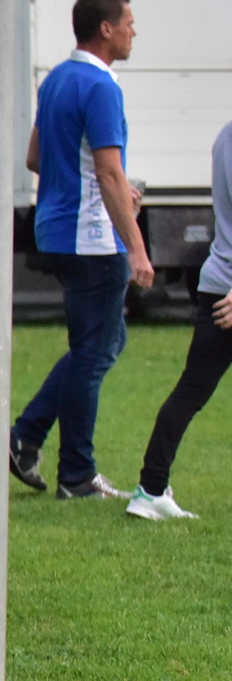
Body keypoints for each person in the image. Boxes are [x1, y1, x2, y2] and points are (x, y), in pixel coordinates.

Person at [10, 0, 153, 501]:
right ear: (106, 29)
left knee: (101, 345)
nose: (135, 31)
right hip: (92, 238)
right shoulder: (100, 85)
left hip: (57, 230)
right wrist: (136, 247)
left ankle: (26, 436)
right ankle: (76, 474)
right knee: (94, 353)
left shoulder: (56, 81)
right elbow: (110, 173)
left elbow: (35, 155)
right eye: (129, 23)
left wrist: (87, 180)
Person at [128, 118, 232, 520]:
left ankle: (150, 490)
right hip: (226, 291)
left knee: (189, 392)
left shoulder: (223, 133)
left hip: (216, 283)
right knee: (190, 392)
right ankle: (150, 490)